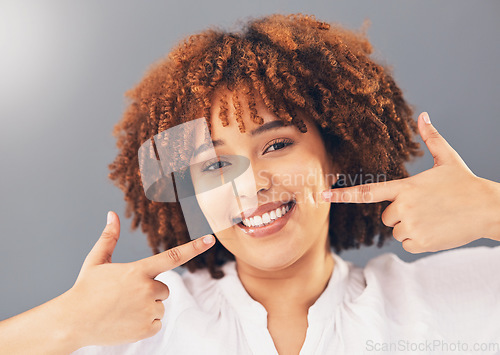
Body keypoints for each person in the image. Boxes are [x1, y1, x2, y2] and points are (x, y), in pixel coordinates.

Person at [1, 13, 500, 355]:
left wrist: (489, 208)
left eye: (278, 145)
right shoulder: (135, 324)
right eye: (215, 166)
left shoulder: (444, 299)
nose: (251, 184)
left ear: (336, 155)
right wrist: (69, 321)